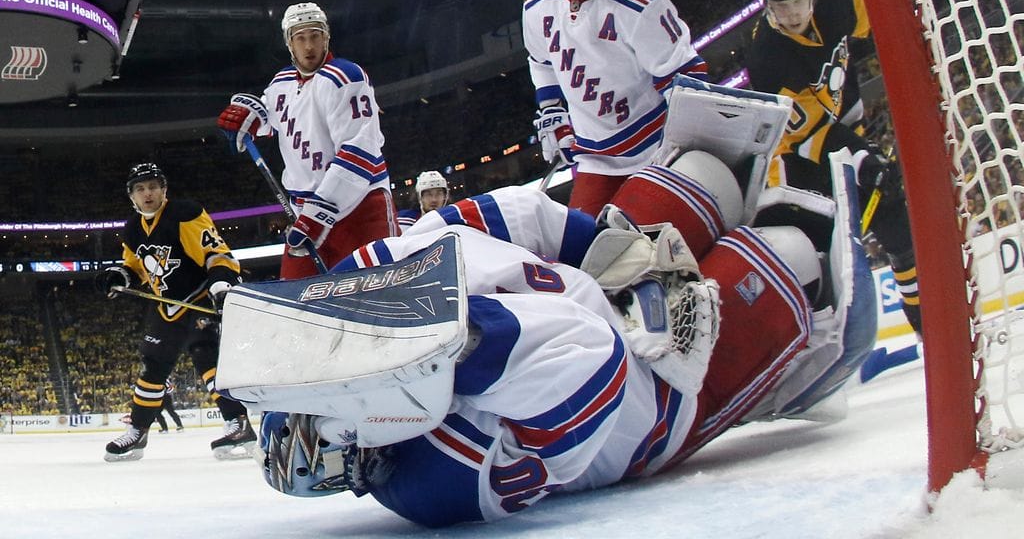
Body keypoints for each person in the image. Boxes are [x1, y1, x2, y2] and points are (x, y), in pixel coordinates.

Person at [217, 146, 876, 526]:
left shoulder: (387, 266)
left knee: (705, 171)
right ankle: (803, 377)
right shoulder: (427, 485)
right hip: (660, 393)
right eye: (339, 474)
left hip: (600, 292)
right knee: (792, 251)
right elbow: (593, 365)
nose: (358, 472)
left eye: (335, 454)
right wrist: (450, 347)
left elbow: (521, 213)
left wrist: (629, 262)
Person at [746, 0, 921, 338]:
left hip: (841, 129)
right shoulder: (767, 56)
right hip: (796, 162)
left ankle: (925, 319)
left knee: (895, 218)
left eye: (796, 0)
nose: (791, 13)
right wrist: (861, 157)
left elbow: (883, 23)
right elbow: (811, 137)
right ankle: (799, 339)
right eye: (780, 5)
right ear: (767, 6)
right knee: (813, 256)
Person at [217, 1, 399, 278]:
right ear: (290, 43)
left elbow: (360, 152)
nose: (309, 46)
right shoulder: (281, 83)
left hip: (360, 210)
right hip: (304, 216)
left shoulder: (346, 77)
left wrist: (318, 214)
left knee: (381, 295)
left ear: (326, 37)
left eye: (315, 36)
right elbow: (272, 115)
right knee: (297, 307)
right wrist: (251, 117)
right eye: (300, 38)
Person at [95, 163, 255, 462]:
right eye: (140, 189)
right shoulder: (132, 228)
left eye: (153, 186)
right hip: (166, 305)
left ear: (164, 190)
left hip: (199, 298)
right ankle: (139, 431)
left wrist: (222, 285)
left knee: (206, 357)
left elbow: (216, 254)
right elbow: (134, 266)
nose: (148, 193)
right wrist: (119, 275)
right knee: (152, 366)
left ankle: (239, 423)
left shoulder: (185, 213)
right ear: (131, 196)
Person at [522, 0, 709, 217]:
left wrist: (683, 141)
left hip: (656, 146)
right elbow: (541, 62)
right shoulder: (537, 3)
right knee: (586, 247)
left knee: (669, 237)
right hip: (595, 157)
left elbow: (683, 73)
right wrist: (552, 111)